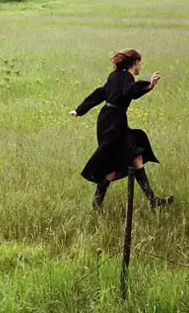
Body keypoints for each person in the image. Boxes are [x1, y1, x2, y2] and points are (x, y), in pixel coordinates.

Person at [69, 49, 172, 211]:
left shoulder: (115, 75)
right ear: (136, 62)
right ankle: (97, 206)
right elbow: (129, 91)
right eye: (140, 63)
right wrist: (150, 85)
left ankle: (152, 200)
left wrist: (80, 110)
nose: (141, 66)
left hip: (109, 121)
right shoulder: (126, 77)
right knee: (114, 164)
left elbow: (100, 93)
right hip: (114, 124)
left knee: (135, 157)